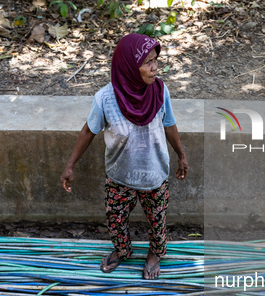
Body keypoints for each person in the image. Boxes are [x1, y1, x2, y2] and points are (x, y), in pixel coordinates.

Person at [60, 33, 189, 280]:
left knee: (157, 219)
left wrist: (181, 155)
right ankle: (122, 250)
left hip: (155, 174)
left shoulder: (160, 92)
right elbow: (89, 130)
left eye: (156, 60)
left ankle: (154, 254)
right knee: (116, 219)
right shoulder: (105, 99)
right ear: (129, 66)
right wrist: (70, 165)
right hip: (120, 176)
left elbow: (169, 125)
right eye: (148, 62)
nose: (155, 68)